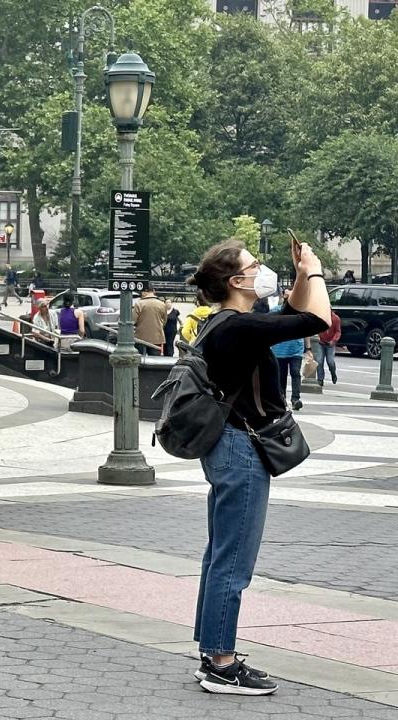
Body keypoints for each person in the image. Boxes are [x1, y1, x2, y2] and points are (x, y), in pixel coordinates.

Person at [187, 238, 328, 695]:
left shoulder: (229, 324)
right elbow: (318, 321)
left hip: (227, 447)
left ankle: (213, 651)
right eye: (254, 265)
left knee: (219, 556)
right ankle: (222, 665)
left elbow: (290, 313)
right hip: (241, 452)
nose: (260, 270)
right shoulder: (238, 328)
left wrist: (301, 275)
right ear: (237, 281)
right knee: (233, 561)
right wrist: (318, 270)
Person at [272, 289, 307, 411]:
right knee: (281, 375)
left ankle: (295, 399)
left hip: (296, 349)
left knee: (295, 372)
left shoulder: (301, 313)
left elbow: (306, 330)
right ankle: (282, 399)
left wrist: (309, 348)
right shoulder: (276, 311)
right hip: (279, 350)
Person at [133, 288, 167, 356]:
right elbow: (165, 320)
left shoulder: (139, 304)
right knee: (155, 361)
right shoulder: (162, 304)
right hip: (157, 338)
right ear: (153, 291)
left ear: (144, 292)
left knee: (140, 360)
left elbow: (133, 320)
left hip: (141, 337)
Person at [314, 310, 341, 386]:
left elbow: (338, 332)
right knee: (319, 361)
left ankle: (333, 373)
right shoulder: (320, 317)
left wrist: (333, 341)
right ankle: (320, 379)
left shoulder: (336, 319)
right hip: (320, 342)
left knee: (330, 361)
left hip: (330, 343)